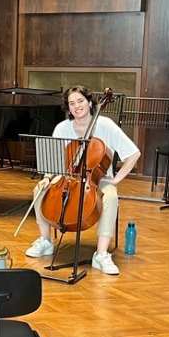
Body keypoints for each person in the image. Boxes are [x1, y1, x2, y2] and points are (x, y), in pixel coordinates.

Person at [26, 85, 140, 275]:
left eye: (80, 101)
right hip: (66, 176)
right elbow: (55, 162)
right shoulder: (62, 128)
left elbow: (134, 154)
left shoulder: (106, 125)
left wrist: (116, 180)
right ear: (68, 107)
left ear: (89, 102)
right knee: (39, 189)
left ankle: (101, 254)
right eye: (71, 103)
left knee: (110, 197)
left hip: (98, 179)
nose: (76, 106)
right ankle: (45, 241)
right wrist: (48, 177)